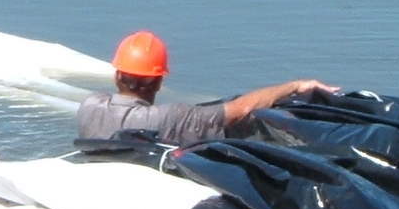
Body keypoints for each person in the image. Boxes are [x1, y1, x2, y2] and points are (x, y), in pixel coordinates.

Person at [76, 31, 336, 146]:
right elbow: (243, 108)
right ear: (158, 81)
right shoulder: (171, 117)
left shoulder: (90, 106)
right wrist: (296, 85)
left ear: (117, 76)